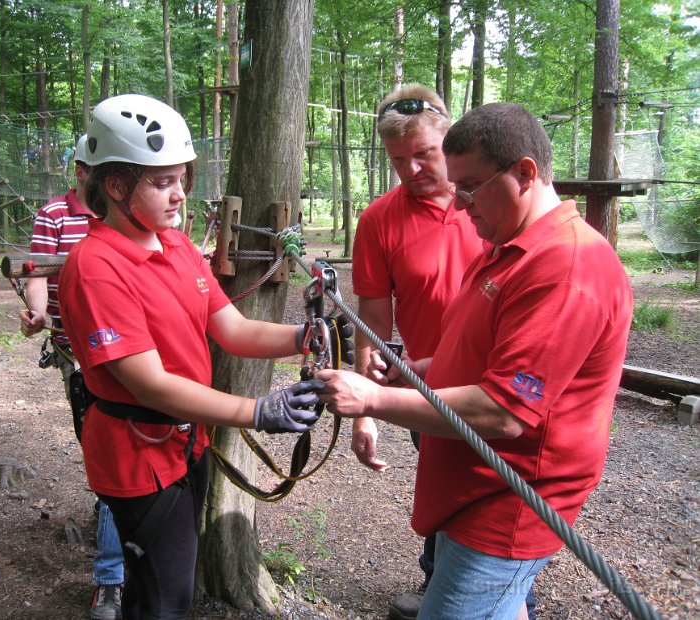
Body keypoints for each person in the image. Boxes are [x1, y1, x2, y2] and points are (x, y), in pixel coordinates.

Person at [316, 102, 633, 620]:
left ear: (525, 173)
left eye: (470, 188)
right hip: (472, 484)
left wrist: (372, 397)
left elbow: (505, 412)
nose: (460, 205)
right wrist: (418, 371)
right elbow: (482, 353)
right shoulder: (510, 245)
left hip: (506, 502)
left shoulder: (565, 268)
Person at [57, 94, 337, 620]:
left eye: (182, 179)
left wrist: (303, 335)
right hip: (137, 457)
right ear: (116, 186)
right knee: (168, 601)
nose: (180, 195)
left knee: (159, 591)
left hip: (186, 444)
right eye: (162, 182)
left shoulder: (176, 246)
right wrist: (256, 411)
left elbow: (232, 329)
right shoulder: (96, 266)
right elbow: (150, 385)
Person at [350, 84, 482, 620]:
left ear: (450, 138)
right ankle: (439, 585)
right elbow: (373, 323)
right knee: (442, 486)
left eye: (424, 154)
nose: (412, 169)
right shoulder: (380, 220)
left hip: (498, 378)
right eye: (398, 160)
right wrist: (368, 406)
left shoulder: (491, 201)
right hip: (427, 383)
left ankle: (498, 595)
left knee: (493, 495)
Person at [19, 135, 126, 620]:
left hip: (127, 341)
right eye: (92, 168)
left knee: (118, 443)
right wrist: (38, 313)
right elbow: (39, 269)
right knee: (102, 443)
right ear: (80, 170)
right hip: (74, 345)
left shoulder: (124, 210)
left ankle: (115, 564)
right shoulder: (54, 215)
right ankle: (111, 568)